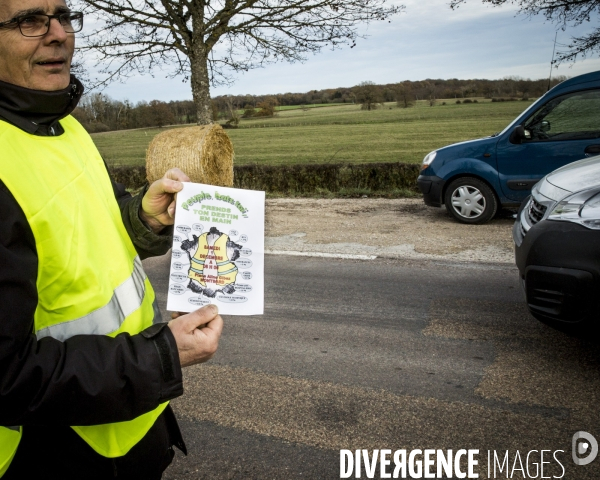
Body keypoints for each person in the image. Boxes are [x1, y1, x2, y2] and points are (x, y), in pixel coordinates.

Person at [0, 0, 223, 477]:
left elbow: (85, 231)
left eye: (63, 16)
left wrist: (145, 216)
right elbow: (5, 378)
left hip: (131, 427)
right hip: (53, 452)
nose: (58, 33)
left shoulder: (64, 126)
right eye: (30, 21)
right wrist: (159, 357)